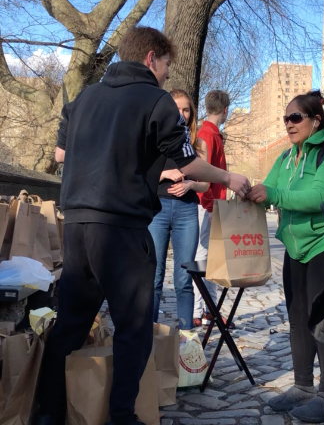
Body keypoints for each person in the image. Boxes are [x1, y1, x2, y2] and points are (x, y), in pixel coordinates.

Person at [37, 26, 250, 425]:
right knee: (133, 329)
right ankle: (122, 416)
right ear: (151, 58)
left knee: (69, 324)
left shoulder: (84, 98)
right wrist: (228, 177)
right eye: (167, 65)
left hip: (78, 226)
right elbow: (188, 163)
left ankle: (46, 413)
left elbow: (62, 154)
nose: (168, 74)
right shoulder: (156, 100)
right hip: (121, 232)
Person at [246, 94, 324, 423]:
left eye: (296, 117)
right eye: (286, 118)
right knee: (297, 315)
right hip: (296, 245)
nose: (289, 123)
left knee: (322, 316)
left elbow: (320, 197)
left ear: (316, 120)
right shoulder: (287, 158)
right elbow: (268, 188)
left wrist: (274, 195)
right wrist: (248, 192)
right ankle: (302, 386)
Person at [149, 89, 208, 330]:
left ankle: (187, 340)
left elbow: (205, 182)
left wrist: (191, 184)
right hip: (157, 209)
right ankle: (148, 337)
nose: (181, 115)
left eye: (186, 110)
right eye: (176, 109)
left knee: (185, 279)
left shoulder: (198, 142)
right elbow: (139, 173)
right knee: (153, 277)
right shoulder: (155, 139)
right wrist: (163, 174)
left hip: (187, 211)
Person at [193, 90, 233, 328]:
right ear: (225, 109)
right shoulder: (207, 134)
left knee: (211, 256)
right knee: (202, 256)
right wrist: (209, 205)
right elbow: (204, 173)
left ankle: (210, 309)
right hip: (207, 205)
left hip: (213, 205)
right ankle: (200, 310)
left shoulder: (211, 134)